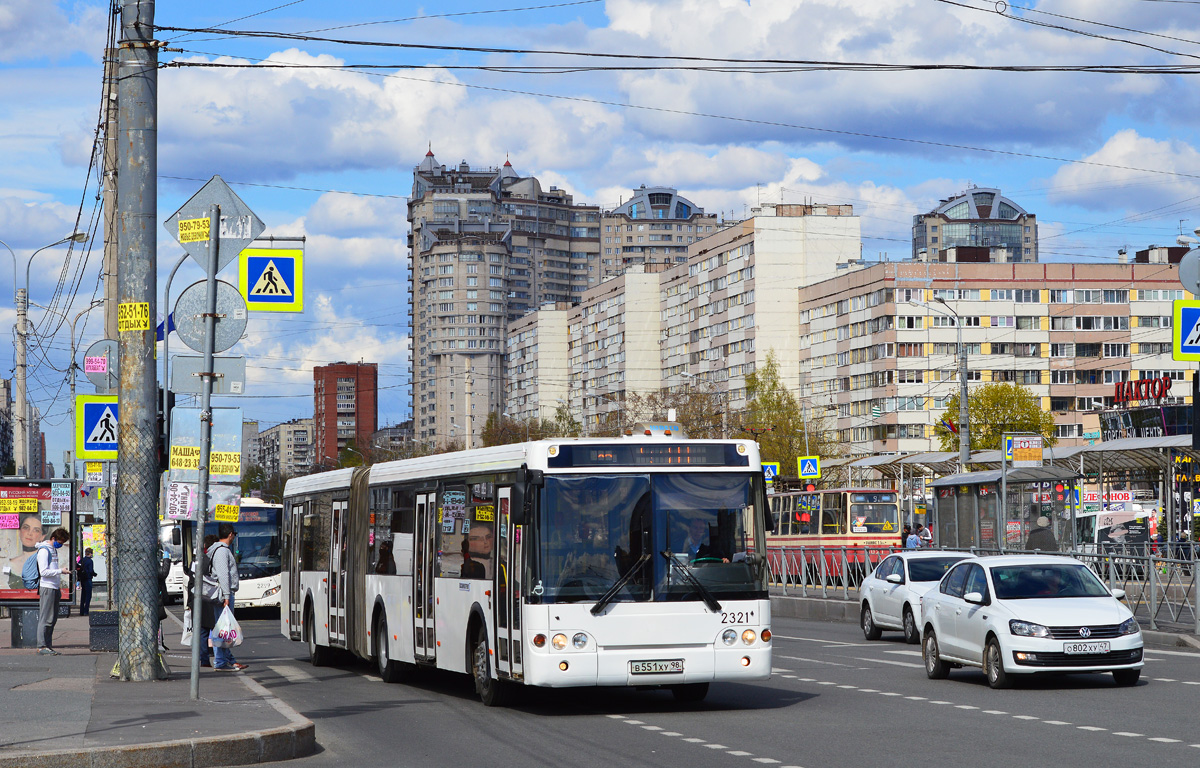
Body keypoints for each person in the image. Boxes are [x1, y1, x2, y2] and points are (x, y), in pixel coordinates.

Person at [208, 524, 248, 671]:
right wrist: (226, 595)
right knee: (222, 629)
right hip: (224, 594)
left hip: (223, 593)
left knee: (223, 629)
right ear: (231, 534)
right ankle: (220, 662)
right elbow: (224, 575)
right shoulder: (222, 552)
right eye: (234, 535)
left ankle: (227, 660)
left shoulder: (218, 550)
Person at [35, 528, 70, 655]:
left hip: (54, 587)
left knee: (52, 618)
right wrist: (61, 571)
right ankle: (42, 645)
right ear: (53, 538)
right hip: (47, 587)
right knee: (45, 618)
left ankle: (48, 645)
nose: (60, 545)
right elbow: (43, 572)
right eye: (60, 542)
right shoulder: (44, 551)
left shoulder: (53, 550)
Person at [189, 534, 220, 668]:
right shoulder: (214, 561)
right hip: (212, 598)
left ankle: (204, 659)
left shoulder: (195, 562)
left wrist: (189, 603)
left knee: (201, 631)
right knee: (217, 629)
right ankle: (220, 657)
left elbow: (190, 584)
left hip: (198, 599)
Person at [4, 512, 45, 589]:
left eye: (36, 530)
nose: (30, 533)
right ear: (19, 531)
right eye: (26, 527)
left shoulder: (47, 561)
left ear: (42, 536)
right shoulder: (9, 563)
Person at [76, 548, 96, 616]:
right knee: (88, 595)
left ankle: (81, 611)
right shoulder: (90, 561)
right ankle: (86, 610)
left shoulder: (82, 560)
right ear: (90, 553)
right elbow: (91, 571)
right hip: (88, 579)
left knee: (83, 595)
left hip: (82, 579)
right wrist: (94, 574)